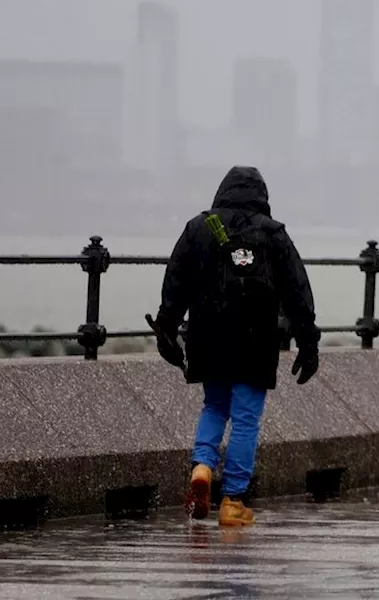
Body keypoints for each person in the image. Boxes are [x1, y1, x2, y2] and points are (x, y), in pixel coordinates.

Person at [151, 166, 320, 527]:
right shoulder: (273, 233)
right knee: (245, 418)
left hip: (207, 334)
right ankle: (233, 501)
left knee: (214, 406)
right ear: (262, 196)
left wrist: (166, 326)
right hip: (256, 338)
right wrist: (308, 341)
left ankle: (202, 467)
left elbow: (176, 280)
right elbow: (296, 290)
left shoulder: (198, 228)